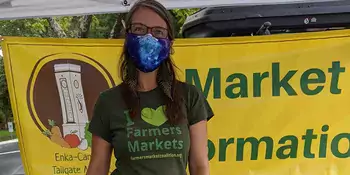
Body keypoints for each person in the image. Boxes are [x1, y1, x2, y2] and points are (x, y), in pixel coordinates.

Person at [86, 0, 214, 174]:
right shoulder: (108, 101)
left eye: (158, 32)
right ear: (127, 36)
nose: (148, 38)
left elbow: (199, 166)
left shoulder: (189, 96)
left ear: (170, 43)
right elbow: (98, 167)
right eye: (139, 29)